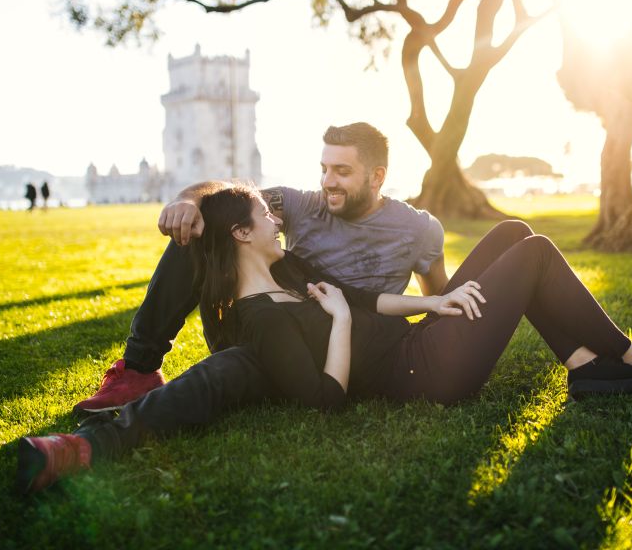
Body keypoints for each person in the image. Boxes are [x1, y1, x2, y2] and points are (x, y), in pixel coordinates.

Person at [16, 185, 632, 494]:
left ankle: (587, 361)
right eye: (265, 213)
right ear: (241, 233)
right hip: (425, 373)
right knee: (534, 253)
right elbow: (324, 400)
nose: (277, 215)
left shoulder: (288, 267)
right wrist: (345, 328)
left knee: (511, 237)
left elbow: (358, 296)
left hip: (416, 335)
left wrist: (434, 299)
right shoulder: (256, 328)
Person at [73, 123, 450, 416]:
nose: (327, 181)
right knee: (201, 224)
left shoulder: (419, 229)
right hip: (273, 330)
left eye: (341, 171)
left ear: (377, 176)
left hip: (349, 345)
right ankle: (139, 369)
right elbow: (232, 200)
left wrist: (436, 329)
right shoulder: (301, 205)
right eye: (324, 169)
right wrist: (190, 200)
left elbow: (439, 295)